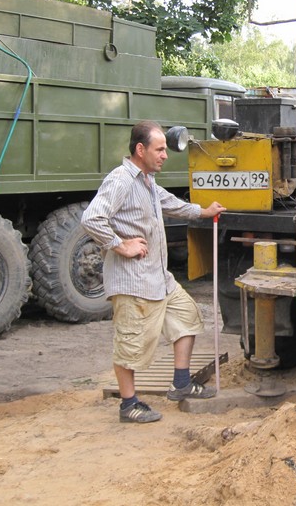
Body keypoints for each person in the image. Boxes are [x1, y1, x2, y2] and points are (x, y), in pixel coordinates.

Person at [81, 120, 226, 424]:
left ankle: (182, 383)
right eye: (159, 149)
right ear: (140, 149)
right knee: (130, 344)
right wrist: (120, 245)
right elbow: (92, 219)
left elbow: (170, 204)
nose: (164, 155)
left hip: (159, 279)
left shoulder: (146, 181)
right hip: (133, 282)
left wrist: (203, 211)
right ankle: (128, 404)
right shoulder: (120, 180)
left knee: (188, 317)